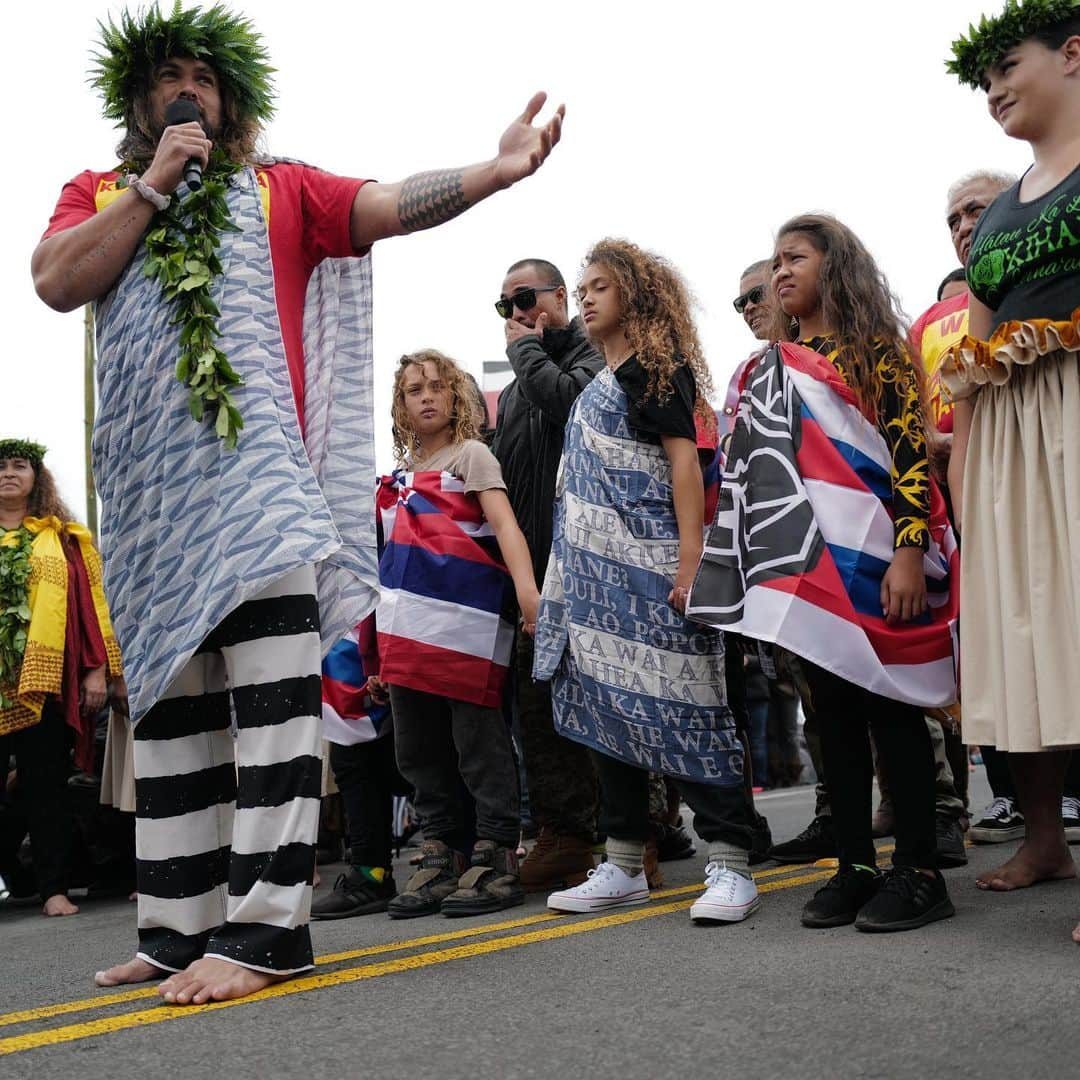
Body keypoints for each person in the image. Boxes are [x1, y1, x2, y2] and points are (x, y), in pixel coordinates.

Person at [32, 3, 563, 1003]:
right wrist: (151, 188)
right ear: (138, 97)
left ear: (231, 101)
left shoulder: (279, 190)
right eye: (168, 75)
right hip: (152, 509)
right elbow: (60, 281)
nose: (188, 89)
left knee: (276, 718)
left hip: (260, 494)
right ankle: (179, 930)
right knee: (174, 732)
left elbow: (390, 202)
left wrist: (494, 173)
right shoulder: (100, 192)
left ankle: (269, 930)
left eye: (206, 76)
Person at [691, 214, 960, 932]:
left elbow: (907, 456)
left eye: (796, 258)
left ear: (833, 265)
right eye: (775, 262)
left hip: (875, 557)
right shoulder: (769, 369)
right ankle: (855, 865)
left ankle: (920, 869)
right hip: (808, 572)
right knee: (832, 715)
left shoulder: (877, 350)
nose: (781, 272)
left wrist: (908, 548)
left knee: (890, 706)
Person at [534, 239, 761, 924]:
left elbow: (684, 465)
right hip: (595, 583)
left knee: (688, 708)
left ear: (636, 294)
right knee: (611, 717)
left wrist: (691, 560)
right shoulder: (598, 384)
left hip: (655, 566)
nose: (588, 295)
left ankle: (731, 863)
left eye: (602, 284)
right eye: (585, 285)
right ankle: (625, 864)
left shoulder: (658, 372)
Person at [943, 3, 1080, 924]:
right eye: (982, 78)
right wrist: (964, 491)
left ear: (1073, 54)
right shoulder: (996, 214)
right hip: (1006, 437)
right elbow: (975, 353)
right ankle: (1043, 838)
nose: (992, 88)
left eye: (1006, 66)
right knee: (1019, 638)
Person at [378, 350, 539, 918]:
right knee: (416, 746)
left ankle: (496, 850)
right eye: (413, 390)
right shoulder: (394, 479)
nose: (425, 397)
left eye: (437, 387)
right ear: (400, 406)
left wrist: (527, 591)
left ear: (456, 398)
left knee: (477, 740)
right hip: (407, 633)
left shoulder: (471, 456)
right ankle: (442, 847)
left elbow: (504, 526)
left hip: (464, 629)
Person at [490, 259, 604, 893]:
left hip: (593, 561)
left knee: (604, 698)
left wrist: (528, 351)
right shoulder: (511, 391)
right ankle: (564, 833)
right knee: (539, 706)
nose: (515, 312)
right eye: (504, 304)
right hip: (534, 572)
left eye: (526, 297)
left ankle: (633, 828)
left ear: (561, 296)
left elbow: (571, 405)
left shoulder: (594, 358)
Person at [0, 440, 124, 917]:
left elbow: (94, 609)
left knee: (45, 788)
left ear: (37, 478)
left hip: (45, 681)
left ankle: (54, 889)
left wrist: (98, 669)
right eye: (2, 466)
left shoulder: (66, 539)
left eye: (20, 465)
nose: (9, 473)